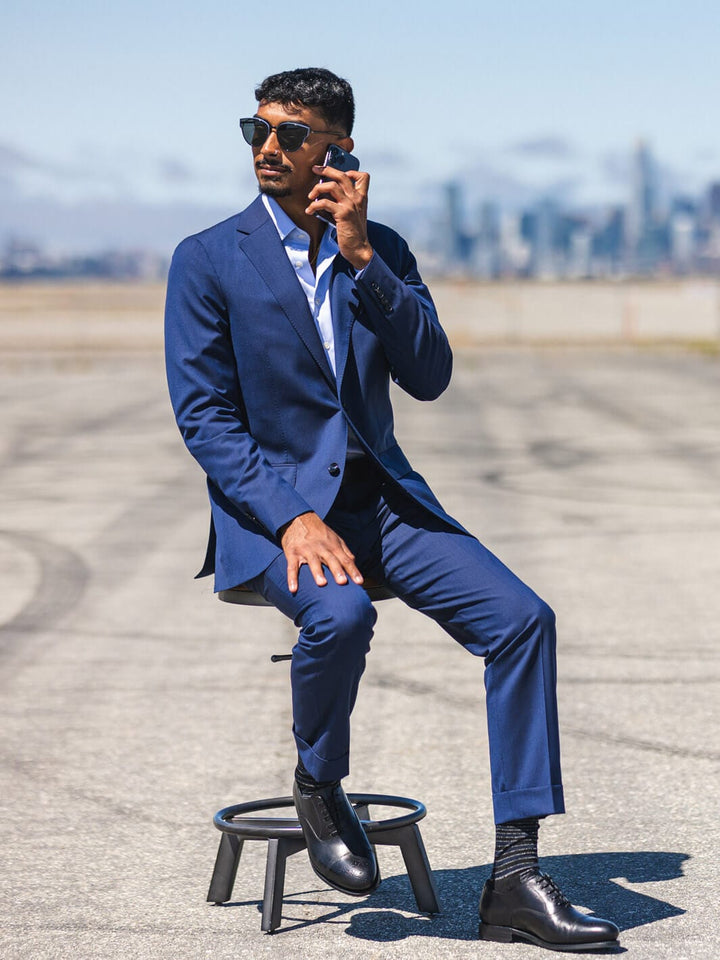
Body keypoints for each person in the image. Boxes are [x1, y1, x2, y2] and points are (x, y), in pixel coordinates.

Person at [164, 67, 618, 952]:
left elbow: (431, 376)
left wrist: (364, 254)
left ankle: (515, 876)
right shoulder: (209, 258)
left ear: (340, 151)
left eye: (291, 135)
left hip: (384, 506)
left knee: (524, 620)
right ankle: (318, 782)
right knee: (338, 613)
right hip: (274, 517)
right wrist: (293, 518)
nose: (267, 148)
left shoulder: (382, 250)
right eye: (256, 130)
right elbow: (205, 419)